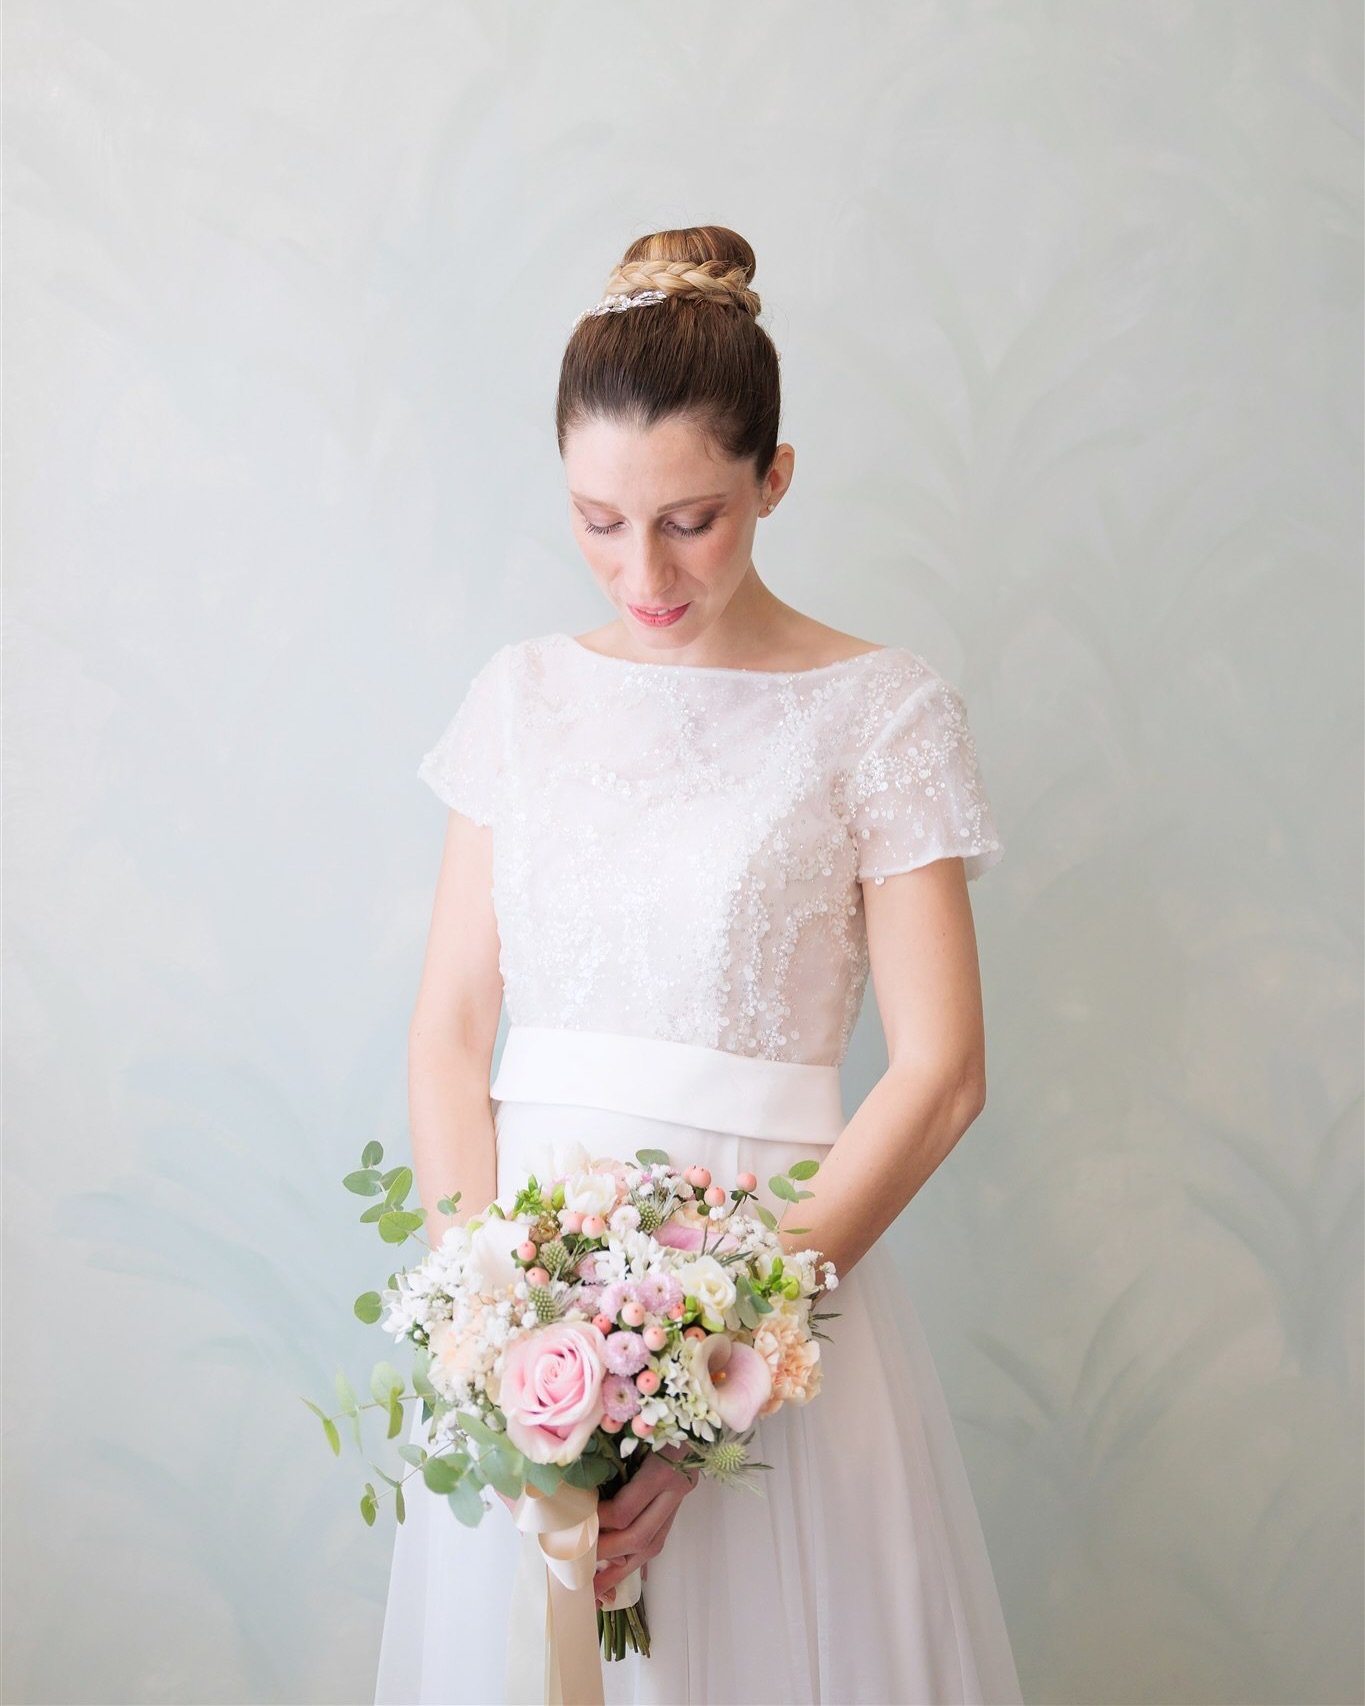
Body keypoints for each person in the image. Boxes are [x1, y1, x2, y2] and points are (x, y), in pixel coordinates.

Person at [374, 225, 1024, 1706]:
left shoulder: (881, 712)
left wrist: (721, 1362)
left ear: (773, 478)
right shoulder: (521, 697)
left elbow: (941, 1075)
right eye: (598, 521)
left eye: (690, 520)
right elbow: (450, 1033)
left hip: (772, 1310)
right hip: (533, 1315)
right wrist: (491, 1329)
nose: (643, 571)